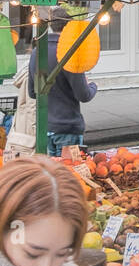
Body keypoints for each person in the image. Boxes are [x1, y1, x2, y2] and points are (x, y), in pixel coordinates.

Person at [28, 9, 97, 157]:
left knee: (50, 176)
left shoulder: (37, 52)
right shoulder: (70, 52)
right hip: (67, 128)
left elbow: (33, 92)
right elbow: (83, 95)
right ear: (69, 26)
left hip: (44, 128)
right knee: (68, 175)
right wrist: (93, 86)